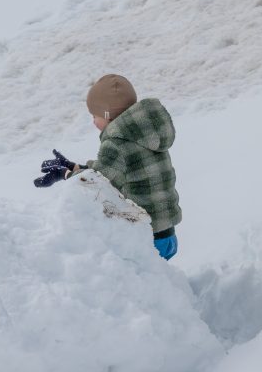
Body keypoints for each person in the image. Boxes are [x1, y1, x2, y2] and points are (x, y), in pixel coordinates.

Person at [33, 74, 182, 260]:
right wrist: (76, 166)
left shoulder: (116, 143)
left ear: (107, 115)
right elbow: (116, 169)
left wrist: (64, 174)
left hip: (145, 235)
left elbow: (99, 182)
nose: (93, 121)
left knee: (134, 276)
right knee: (155, 275)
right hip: (167, 232)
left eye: (94, 115)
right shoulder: (144, 133)